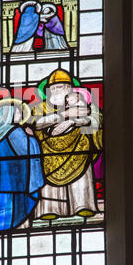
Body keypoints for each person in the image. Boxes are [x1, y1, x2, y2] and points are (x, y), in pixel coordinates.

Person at [31, 69, 103, 219]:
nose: (57, 90)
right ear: (48, 91)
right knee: (48, 180)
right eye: (54, 88)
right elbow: (36, 123)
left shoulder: (85, 105)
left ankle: (82, 205)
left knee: (81, 176)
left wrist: (75, 120)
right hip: (48, 150)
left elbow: (97, 119)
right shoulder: (40, 107)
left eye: (62, 87)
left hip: (79, 147)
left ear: (70, 89)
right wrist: (64, 115)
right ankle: (49, 209)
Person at [0, 98, 44, 232]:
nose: (21, 116)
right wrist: (31, 138)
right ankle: (18, 225)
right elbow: (26, 150)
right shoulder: (15, 132)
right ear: (8, 114)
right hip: (15, 185)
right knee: (14, 210)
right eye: (18, 113)